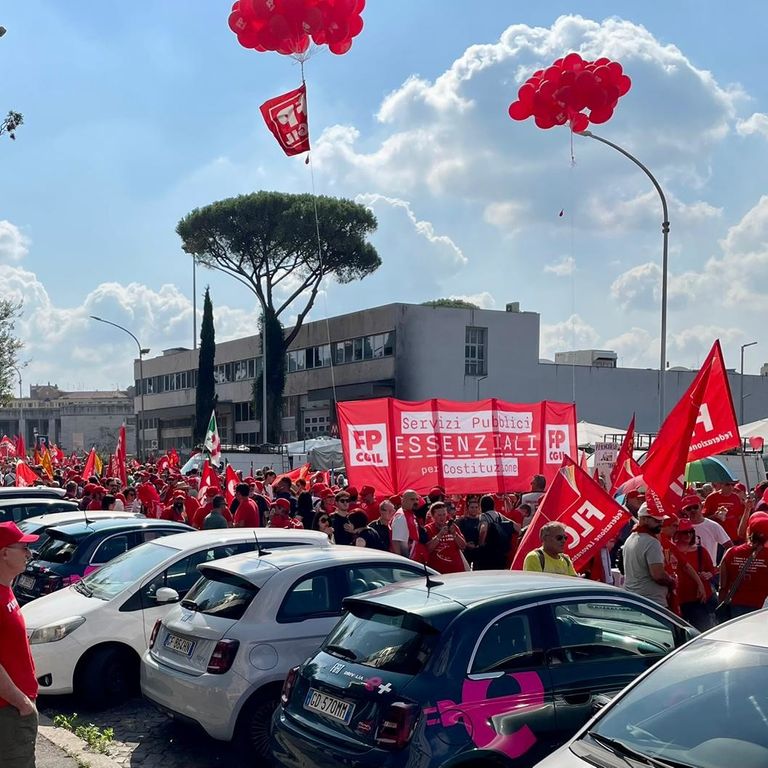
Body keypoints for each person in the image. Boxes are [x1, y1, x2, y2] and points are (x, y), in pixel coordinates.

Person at [0, 522, 40, 768]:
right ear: (4, 552)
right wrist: (21, 702)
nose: (29, 554)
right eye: (23, 548)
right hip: (8, 710)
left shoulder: (7, 588)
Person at [622, 503, 676, 607]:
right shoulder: (651, 542)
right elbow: (658, 575)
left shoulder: (630, 538)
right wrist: (672, 581)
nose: (661, 524)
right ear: (644, 519)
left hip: (634, 598)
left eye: (662, 521)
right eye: (657, 520)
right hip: (652, 602)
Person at [718, 513, 768, 618]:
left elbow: (722, 586)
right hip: (762, 609)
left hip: (735, 609)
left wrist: (721, 607)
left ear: (749, 531)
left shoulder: (731, 552)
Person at [674, 519, 716, 631]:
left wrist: (708, 574)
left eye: (690, 531)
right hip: (679, 600)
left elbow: (712, 570)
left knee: (702, 631)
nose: (688, 535)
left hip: (698, 600)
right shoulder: (671, 550)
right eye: (684, 532)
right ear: (677, 534)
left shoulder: (700, 551)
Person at [679, 493, 732, 565]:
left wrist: (721, 565)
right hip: (689, 570)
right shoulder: (680, 527)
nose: (692, 510)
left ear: (701, 506)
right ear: (684, 511)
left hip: (709, 571)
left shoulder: (713, 526)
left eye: (695, 507)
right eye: (688, 508)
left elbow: (730, 546)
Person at [424, 502, 468, 573]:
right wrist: (439, 535)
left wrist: (454, 534)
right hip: (437, 572)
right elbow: (427, 550)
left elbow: (463, 546)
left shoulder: (453, 527)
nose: (442, 518)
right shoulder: (428, 529)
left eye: (444, 514)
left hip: (456, 570)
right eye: (439, 515)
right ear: (433, 516)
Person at [456, 496, 488, 569]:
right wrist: (466, 544)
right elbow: (458, 535)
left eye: (476, 507)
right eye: (472, 507)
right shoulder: (461, 521)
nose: (474, 509)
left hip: (478, 552)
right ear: (468, 508)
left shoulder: (482, 521)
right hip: (466, 552)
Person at [390, 490, 422, 559]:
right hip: (406, 561)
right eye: (412, 499)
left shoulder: (410, 514)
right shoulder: (401, 517)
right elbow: (396, 543)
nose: (416, 502)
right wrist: (403, 563)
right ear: (403, 501)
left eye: (417, 499)